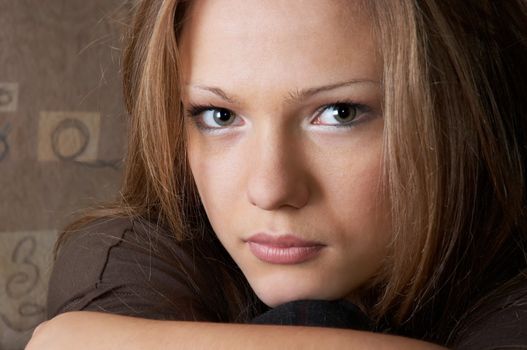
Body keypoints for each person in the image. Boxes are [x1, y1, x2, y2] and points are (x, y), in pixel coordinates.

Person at [27, 0, 527, 349]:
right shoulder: (131, 255)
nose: (270, 190)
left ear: (459, 114)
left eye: (340, 114)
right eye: (219, 116)